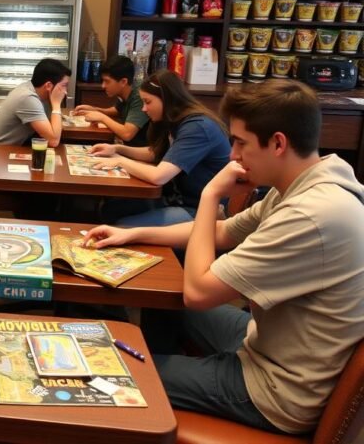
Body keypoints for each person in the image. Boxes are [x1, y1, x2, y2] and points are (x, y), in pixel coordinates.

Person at [83, 80, 364, 435]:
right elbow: (220, 232)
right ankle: (163, 391)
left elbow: (198, 293)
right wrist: (132, 234)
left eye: (241, 143)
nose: (233, 155)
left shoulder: (311, 214)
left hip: (276, 390)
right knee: (163, 304)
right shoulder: (305, 185)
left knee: (109, 369)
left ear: (278, 143)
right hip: (268, 342)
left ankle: (154, 392)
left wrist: (210, 194)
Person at [91, 69, 230, 226]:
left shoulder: (197, 127)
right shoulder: (176, 121)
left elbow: (159, 176)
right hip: (176, 198)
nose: (144, 109)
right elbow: (155, 153)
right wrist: (117, 149)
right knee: (110, 209)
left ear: (167, 99)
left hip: (201, 210)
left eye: (148, 102)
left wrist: (119, 161)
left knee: (122, 226)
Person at [0, 58, 71, 188]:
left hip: (4, 156)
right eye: (63, 86)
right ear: (48, 86)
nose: (65, 92)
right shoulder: (28, 98)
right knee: (46, 186)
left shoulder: (35, 91)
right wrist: (57, 104)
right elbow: (53, 139)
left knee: (50, 174)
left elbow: (52, 129)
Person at [73, 55, 150, 146]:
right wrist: (94, 109)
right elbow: (117, 110)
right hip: (126, 146)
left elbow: (127, 134)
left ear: (123, 82)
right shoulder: (124, 92)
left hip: (140, 151)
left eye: (107, 81)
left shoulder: (140, 96)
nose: (103, 86)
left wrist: (101, 117)